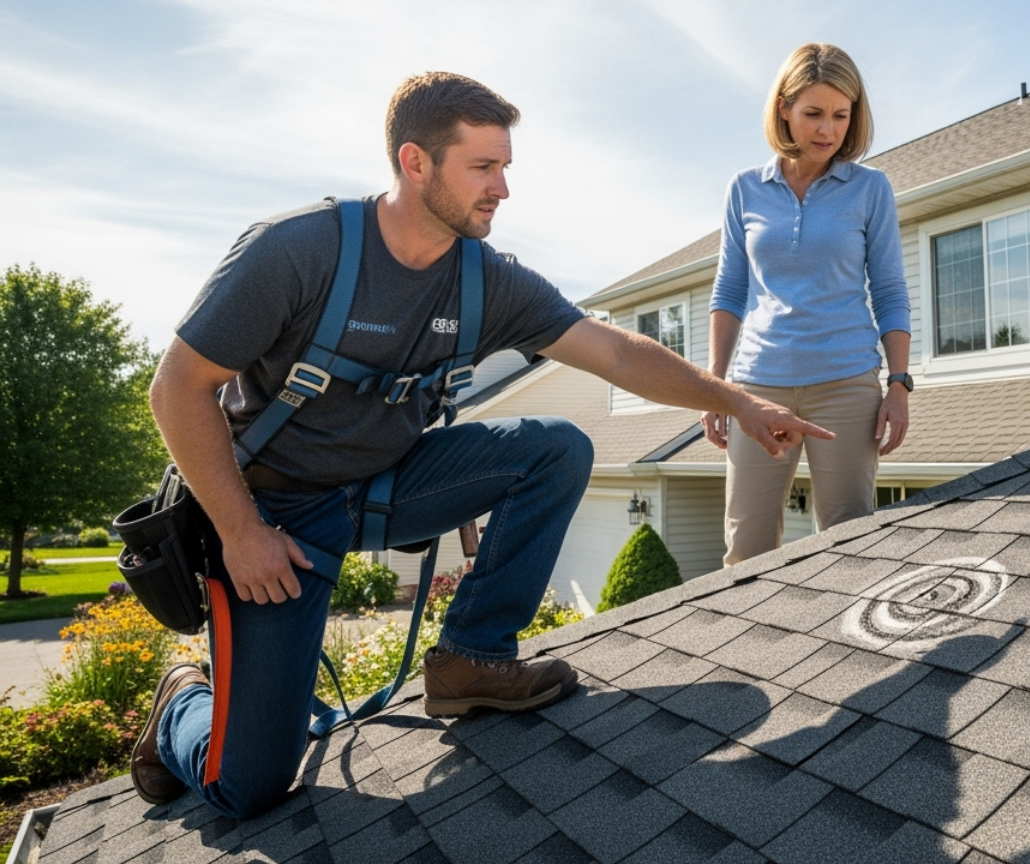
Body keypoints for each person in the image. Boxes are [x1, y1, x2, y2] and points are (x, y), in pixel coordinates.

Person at [131, 71, 831, 820]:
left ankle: (472, 658)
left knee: (555, 447)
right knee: (250, 788)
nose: (502, 188)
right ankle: (183, 701)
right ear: (415, 162)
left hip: (388, 483)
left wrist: (735, 400)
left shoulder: (487, 280)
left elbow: (619, 354)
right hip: (275, 513)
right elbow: (176, 389)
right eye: (483, 168)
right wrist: (240, 532)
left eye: (505, 167)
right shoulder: (297, 253)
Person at [702, 43, 912, 564]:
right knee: (746, 546)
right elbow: (729, 292)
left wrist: (900, 384)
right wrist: (715, 386)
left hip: (846, 384)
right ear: (784, 110)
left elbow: (889, 291)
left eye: (841, 115)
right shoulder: (745, 189)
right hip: (758, 385)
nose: (828, 130)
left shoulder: (870, 189)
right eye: (814, 113)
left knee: (847, 543)